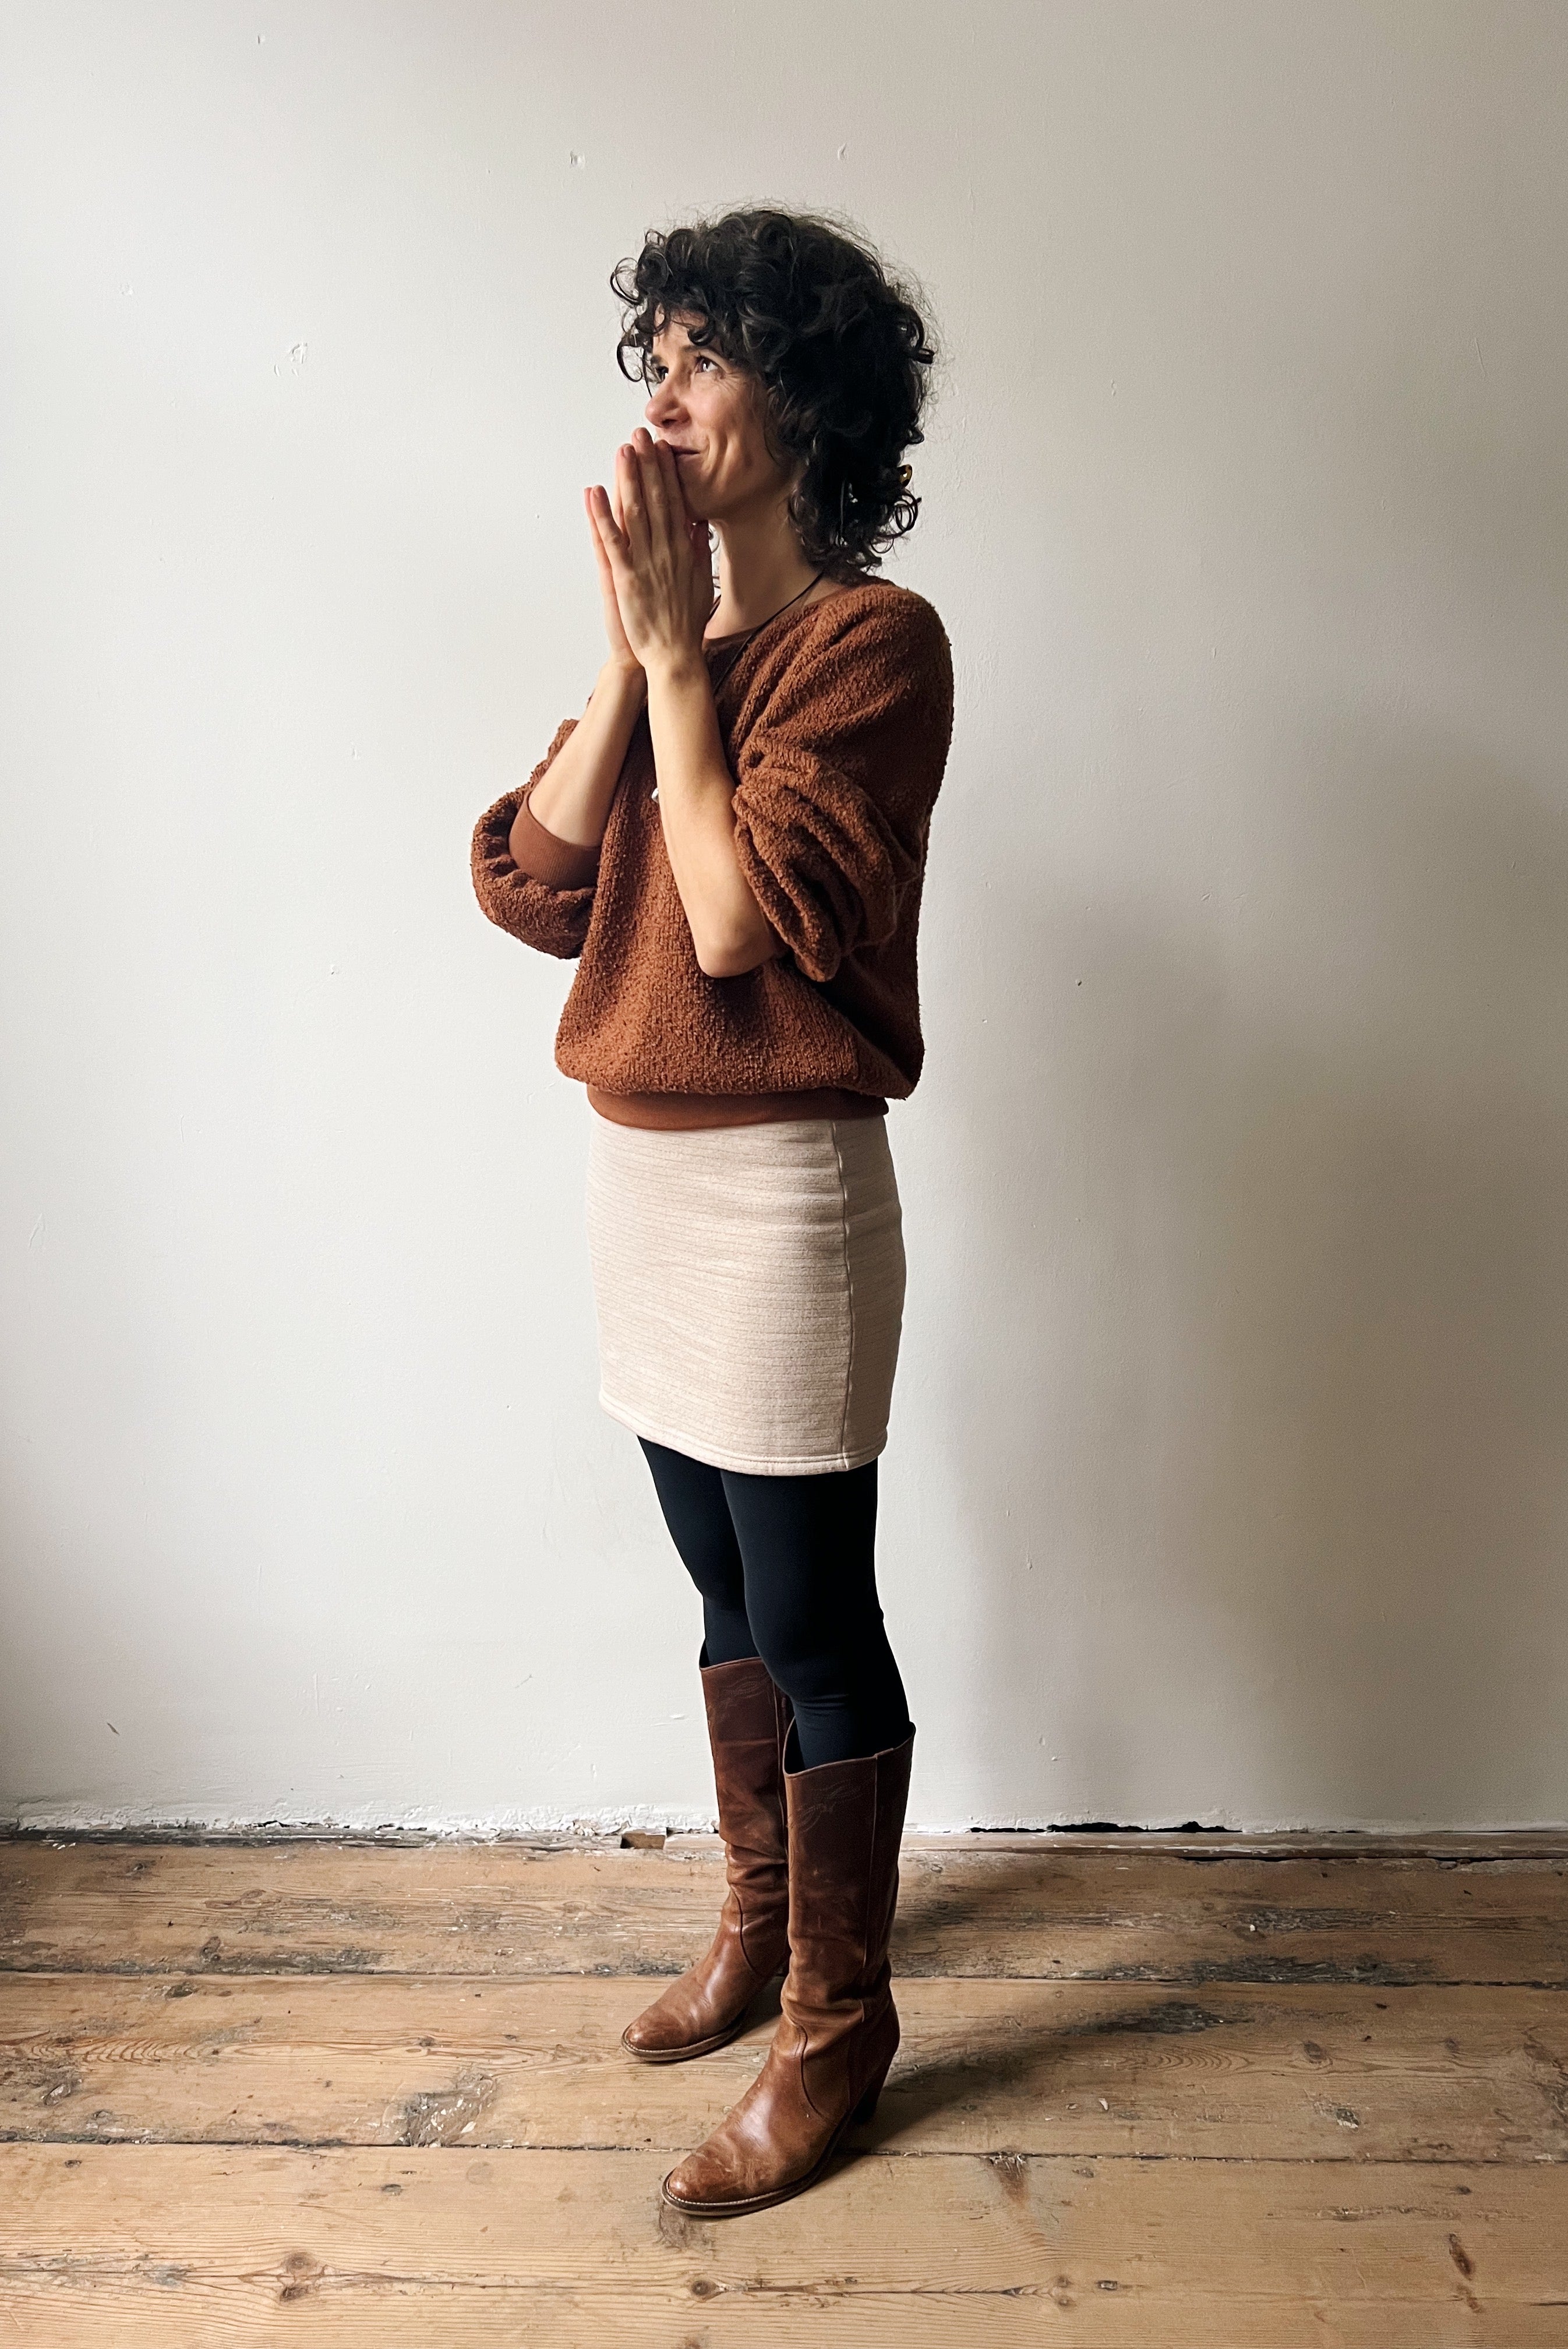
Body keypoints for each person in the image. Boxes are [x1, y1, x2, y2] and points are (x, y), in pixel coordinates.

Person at [470, 206, 953, 2217]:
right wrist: (632, 656)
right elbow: (523, 883)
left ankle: (839, 2024)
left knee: (816, 1619)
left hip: (773, 1197)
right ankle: (761, 1929)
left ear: (809, 402)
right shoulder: (676, 655)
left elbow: (745, 917)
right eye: (649, 359)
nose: (659, 398)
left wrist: (682, 662)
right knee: (718, 1590)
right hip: (636, 1181)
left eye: (700, 359)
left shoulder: (869, 644)